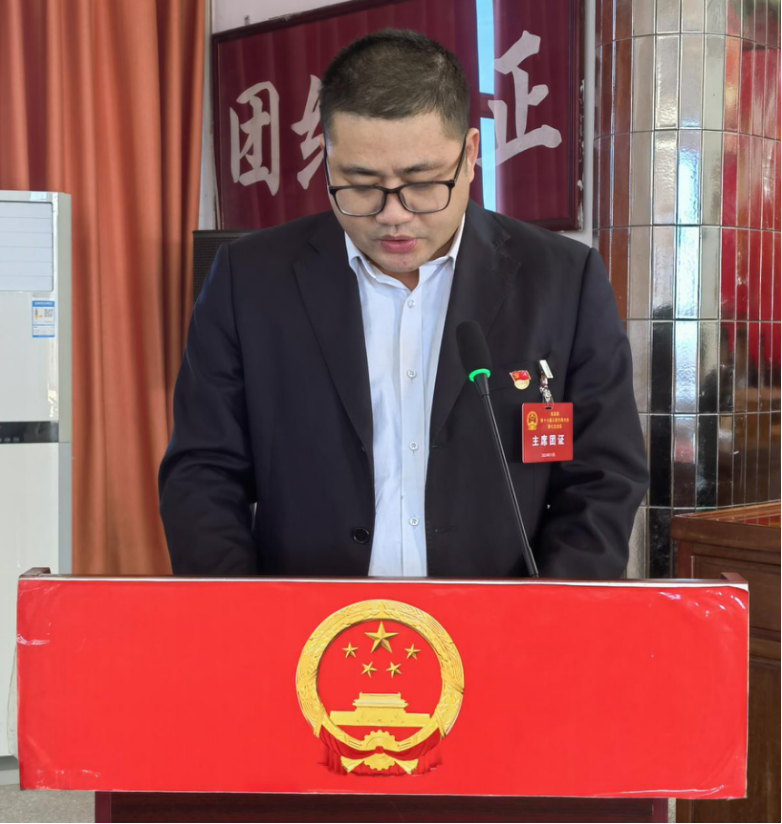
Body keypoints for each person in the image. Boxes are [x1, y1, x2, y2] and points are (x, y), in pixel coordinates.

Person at [158, 29, 649, 579]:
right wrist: (243, 614)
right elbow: (203, 473)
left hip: (500, 619)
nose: (393, 215)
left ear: (469, 154)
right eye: (361, 184)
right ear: (327, 159)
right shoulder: (249, 280)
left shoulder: (562, 281)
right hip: (306, 622)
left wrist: (549, 616)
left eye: (422, 183)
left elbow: (604, 477)